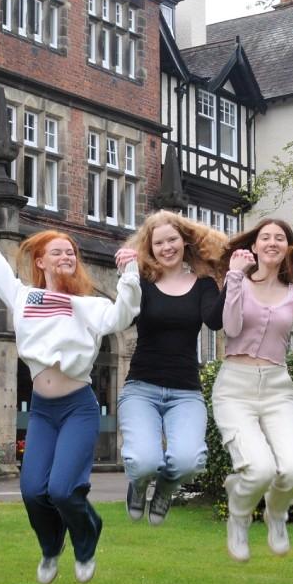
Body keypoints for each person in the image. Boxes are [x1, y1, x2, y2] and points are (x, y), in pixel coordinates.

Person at [0, 197, 140, 584]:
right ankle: (51, 547)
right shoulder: (23, 297)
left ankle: (87, 537)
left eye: (71, 252)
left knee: (64, 489)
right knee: (34, 490)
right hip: (42, 411)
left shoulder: (85, 305)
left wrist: (131, 274)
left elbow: (123, 315)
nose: (67, 256)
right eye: (58, 252)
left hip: (78, 407)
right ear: (40, 260)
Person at [213, 219, 293, 563]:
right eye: (264, 237)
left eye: (279, 238)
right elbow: (232, 327)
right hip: (235, 387)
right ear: (254, 247)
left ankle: (276, 513)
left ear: (288, 249)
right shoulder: (237, 280)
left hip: (277, 387)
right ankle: (239, 517)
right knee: (259, 468)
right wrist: (235, 278)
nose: (271, 242)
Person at [113, 211, 227, 525]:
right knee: (144, 462)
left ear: (183, 242)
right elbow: (124, 317)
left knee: (189, 462)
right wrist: (126, 277)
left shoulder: (203, 284)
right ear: (149, 247)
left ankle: (164, 489)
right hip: (142, 389)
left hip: (185, 392)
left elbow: (215, 321)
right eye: (159, 242)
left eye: (172, 240)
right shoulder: (143, 283)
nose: (167, 248)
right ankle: (138, 486)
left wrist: (233, 281)